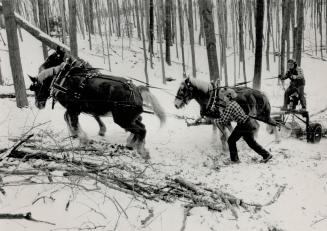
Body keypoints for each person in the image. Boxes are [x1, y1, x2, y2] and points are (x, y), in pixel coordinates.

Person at [214, 88, 273, 164]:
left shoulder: (230, 106)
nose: (223, 98)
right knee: (251, 143)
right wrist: (221, 111)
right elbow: (227, 115)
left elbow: (224, 120)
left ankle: (235, 160)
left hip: (243, 125)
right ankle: (266, 155)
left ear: (229, 97)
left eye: (225, 96)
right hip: (246, 123)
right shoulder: (233, 103)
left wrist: (216, 120)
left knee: (231, 140)